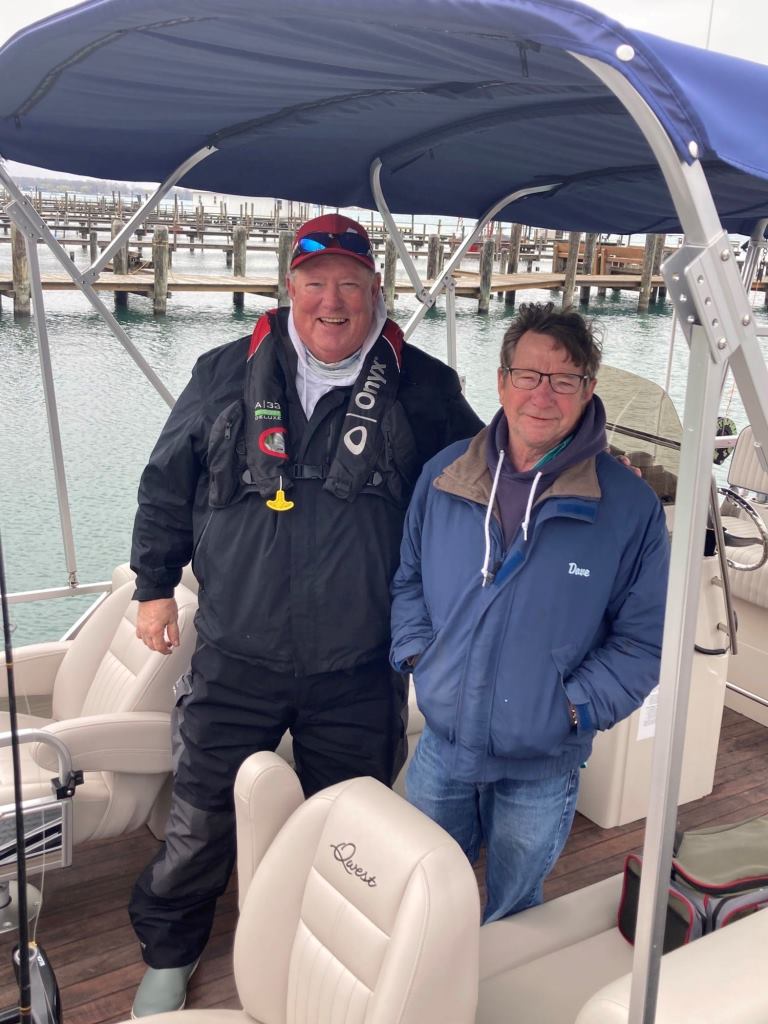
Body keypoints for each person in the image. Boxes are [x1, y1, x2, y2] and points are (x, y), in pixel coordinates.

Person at [127, 213, 482, 1016]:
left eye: (350, 286)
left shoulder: (425, 388)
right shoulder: (222, 372)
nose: (332, 303)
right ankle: (169, 950)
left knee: (352, 829)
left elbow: (474, 497)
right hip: (233, 653)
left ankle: (330, 951)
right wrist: (154, 586)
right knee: (200, 816)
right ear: (289, 288)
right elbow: (164, 485)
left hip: (359, 665)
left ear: (376, 294)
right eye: (316, 284)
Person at [390, 301, 670, 923]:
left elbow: (645, 641)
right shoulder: (444, 477)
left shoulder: (628, 507)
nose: (543, 394)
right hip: (443, 744)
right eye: (528, 375)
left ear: (588, 389)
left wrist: (573, 708)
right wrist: (419, 658)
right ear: (501, 381)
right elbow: (407, 578)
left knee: (514, 912)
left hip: (543, 762)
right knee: (427, 902)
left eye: (564, 378)